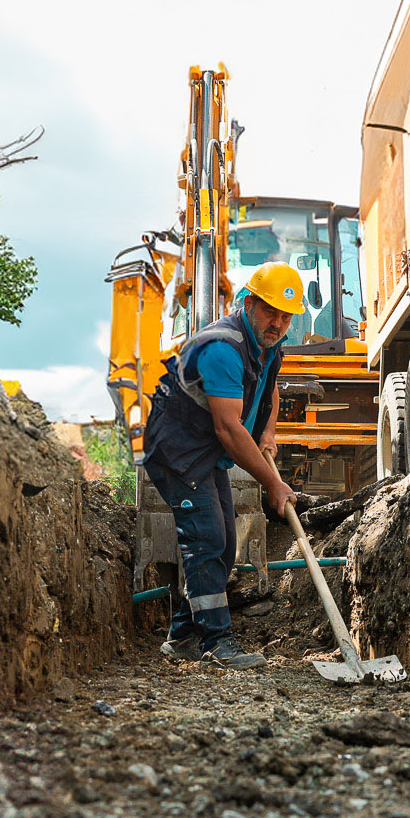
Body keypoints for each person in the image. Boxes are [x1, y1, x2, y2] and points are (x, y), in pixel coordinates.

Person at [138, 263, 305, 669]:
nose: (278, 323)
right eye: (270, 312)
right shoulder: (222, 349)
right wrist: (273, 484)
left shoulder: (266, 345)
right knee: (207, 540)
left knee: (225, 544)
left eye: (286, 317)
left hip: (205, 449)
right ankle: (216, 641)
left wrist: (268, 433)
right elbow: (228, 429)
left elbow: (269, 389)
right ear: (248, 304)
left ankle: (182, 636)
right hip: (177, 451)